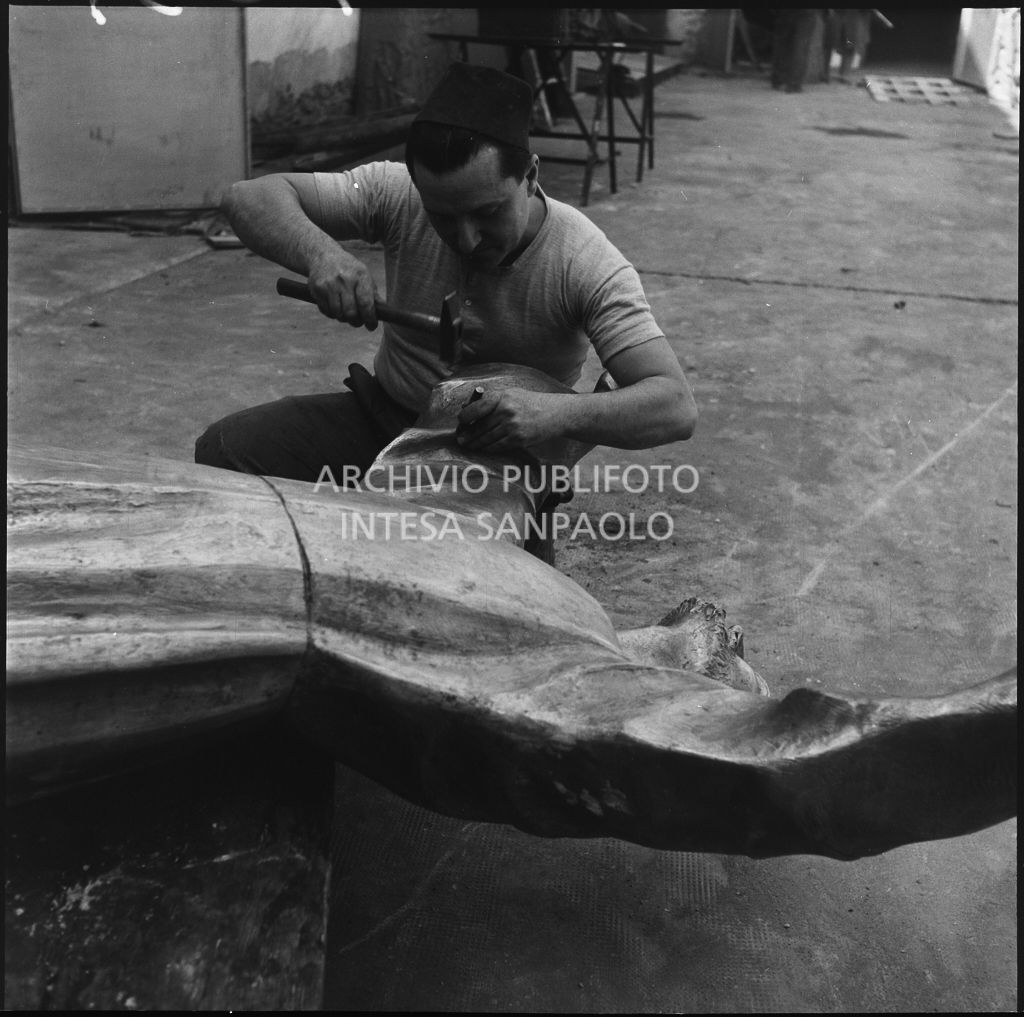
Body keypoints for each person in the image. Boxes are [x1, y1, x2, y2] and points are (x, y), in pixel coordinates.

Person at [196, 62, 697, 486]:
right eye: (443, 215)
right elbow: (248, 197)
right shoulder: (397, 193)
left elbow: (674, 405)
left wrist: (554, 414)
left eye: (488, 212)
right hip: (389, 419)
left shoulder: (586, 261)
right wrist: (323, 255)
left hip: (504, 459)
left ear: (530, 175)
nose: (467, 238)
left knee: (462, 579)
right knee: (225, 450)